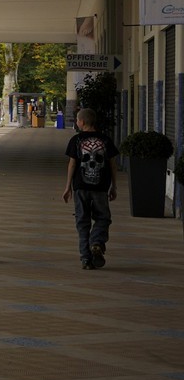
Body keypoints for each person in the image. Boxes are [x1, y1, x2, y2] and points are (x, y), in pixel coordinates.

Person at [62, 108, 117, 269]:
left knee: (82, 221)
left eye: (77, 120)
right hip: (101, 187)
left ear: (82, 122)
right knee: (103, 218)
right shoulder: (106, 140)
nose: (77, 123)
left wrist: (68, 187)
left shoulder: (76, 140)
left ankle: (86, 258)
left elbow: (72, 164)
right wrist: (114, 185)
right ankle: (97, 242)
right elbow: (112, 164)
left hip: (80, 187)